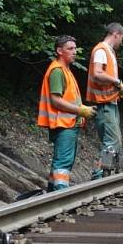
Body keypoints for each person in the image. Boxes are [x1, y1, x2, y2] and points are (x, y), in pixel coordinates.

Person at [37, 35, 96, 191]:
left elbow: (71, 99)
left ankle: (51, 195)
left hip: (68, 124)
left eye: (75, 49)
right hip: (63, 125)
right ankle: (61, 198)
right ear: (59, 51)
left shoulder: (66, 70)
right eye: (70, 49)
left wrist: (84, 108)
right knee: (62, 164)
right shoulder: (57, 71)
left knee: (60, 163)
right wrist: (80, 110)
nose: (74, 52)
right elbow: (56, 100)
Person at [87, 22, 123, 179]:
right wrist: (116, 82)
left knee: (115, 142)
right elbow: (97, 73)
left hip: (110, 102)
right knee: (111, 142)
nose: (121, 42)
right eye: (121, 38)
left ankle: (109, 177)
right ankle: (99, 177)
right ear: (116, 34)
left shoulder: (109, 52)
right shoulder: (101, 50)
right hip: (104, 103)